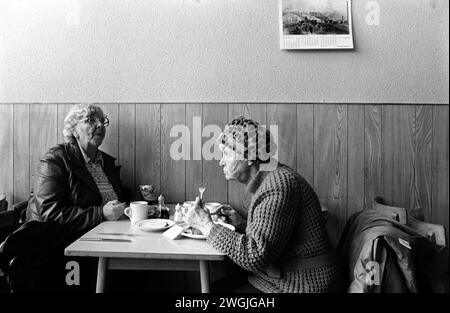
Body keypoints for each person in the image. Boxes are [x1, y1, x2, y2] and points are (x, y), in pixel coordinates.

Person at [186, 116, 341, 293]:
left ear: (250, 156)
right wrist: (242, 224)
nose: (221, 161)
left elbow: (255, 256)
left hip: (303, 284)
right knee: (213, 288)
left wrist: (206, 226)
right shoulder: (271, 178)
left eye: (226, 154)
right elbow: (276, 237)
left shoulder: (278, 185)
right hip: (282, 277)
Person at [27, 103, 127, 238]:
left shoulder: (106, 162)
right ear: (74, 130)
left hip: (105, 234)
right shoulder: (55, 160)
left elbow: (116, 199)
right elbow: (49, 213)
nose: (100, 125)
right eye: (90, 120)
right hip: (62, 242)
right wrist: (101, 214)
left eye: (102, 121)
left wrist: (145, 202)